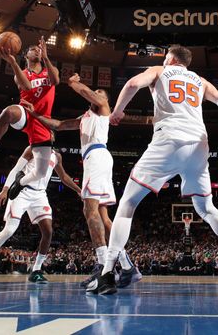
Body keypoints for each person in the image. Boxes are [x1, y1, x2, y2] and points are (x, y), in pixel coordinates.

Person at [91, 45, 218, 294]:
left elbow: (131, 85)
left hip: (169, 139)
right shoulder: (200, 81)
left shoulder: (160, 70)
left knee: (127, 205)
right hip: (199, 145)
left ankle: (107, 274)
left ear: (170, 59)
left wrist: (117, 112)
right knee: (206, 208)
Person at [24, 74, 142, 290]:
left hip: (96, 157)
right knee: (105, 219)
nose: (96, 95)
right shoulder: (85, 117)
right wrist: (35, 113)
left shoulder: (104, 108)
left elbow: (88, 94)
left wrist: (72, 83)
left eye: (100, 93)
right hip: (98, 160)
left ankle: (102, 265)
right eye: (96, 93)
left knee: (90, 211)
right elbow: (58, 125)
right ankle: (127, 266)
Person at [0, 142, 79, 284]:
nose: (48, 134)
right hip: (22, 191)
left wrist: (79, 190)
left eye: (51, 133)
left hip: (40, 195)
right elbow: (16, 169)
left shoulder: (57, 155)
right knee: (9, 230)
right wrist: (5, 190)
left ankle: (36, 270)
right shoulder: (32, 149)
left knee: (48, 232)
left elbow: (64, 177)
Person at [0, 38, 60, 198]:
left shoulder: (50, 70)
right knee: (9, 112)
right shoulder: (21, 73)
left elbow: (56, 81)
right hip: (26, 113)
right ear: (25, 55)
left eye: (39, 49)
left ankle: (21, 181)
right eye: (33, 49)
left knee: (40, 172)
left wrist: (46, 57)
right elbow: (27, 86)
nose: (37, 50)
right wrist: (12, 62)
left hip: (43, 120)